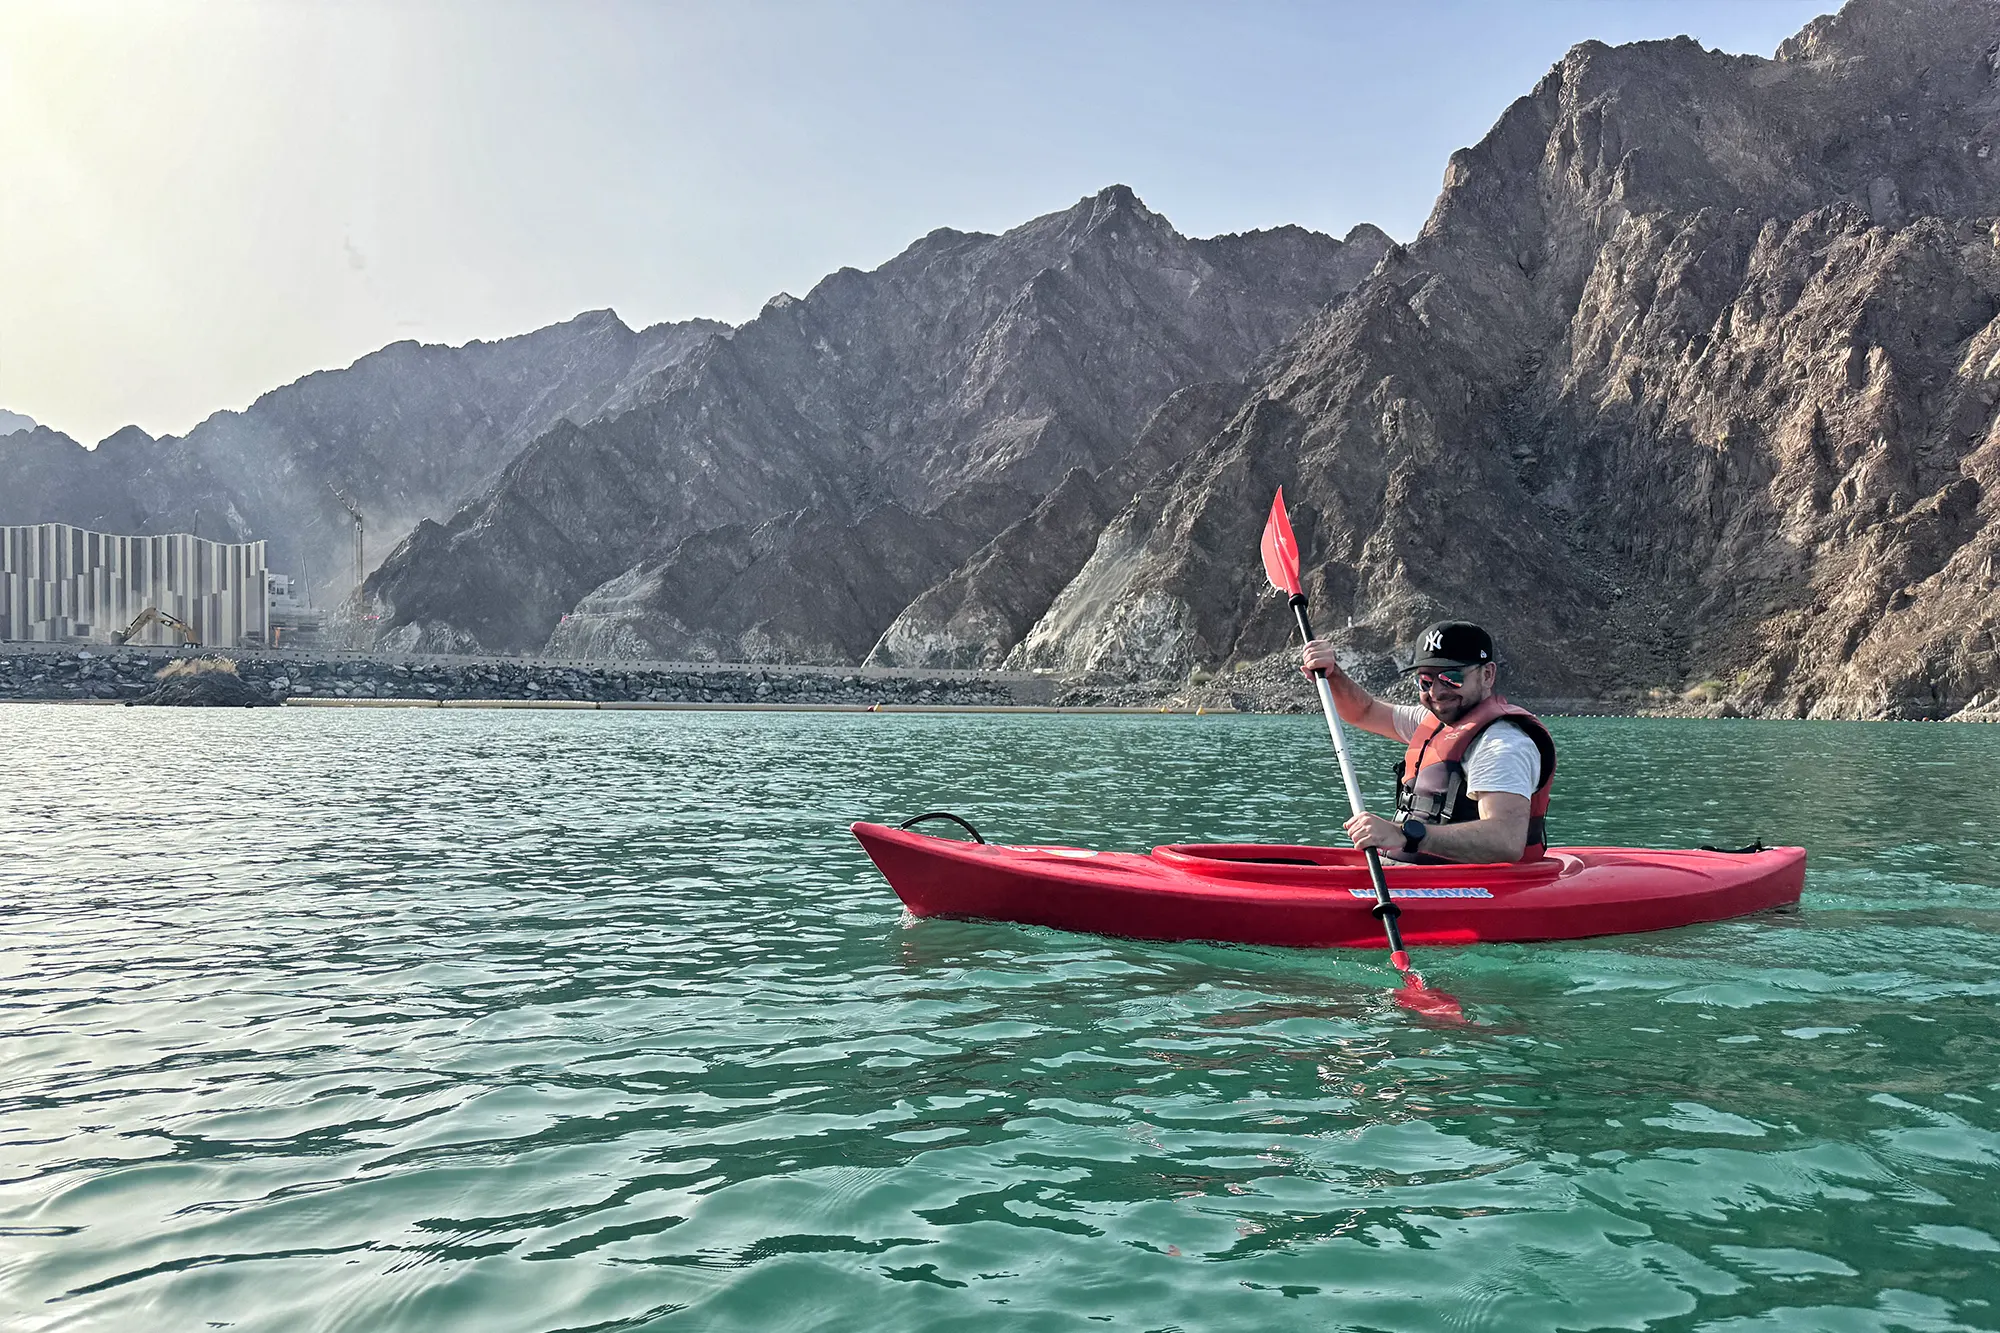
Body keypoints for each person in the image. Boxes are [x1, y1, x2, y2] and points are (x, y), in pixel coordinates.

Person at [1300, 620, 1555, 864]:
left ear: (1487, 674)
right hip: (1411, 874)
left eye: (1451, 678)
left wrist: (1404, 834)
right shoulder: (1432, 721)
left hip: (1469, 888)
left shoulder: (1501, 744)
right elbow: (1365, 711)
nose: (1436, 692)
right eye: (1425, 680)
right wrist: (1333, 676)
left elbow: (1505, 841)